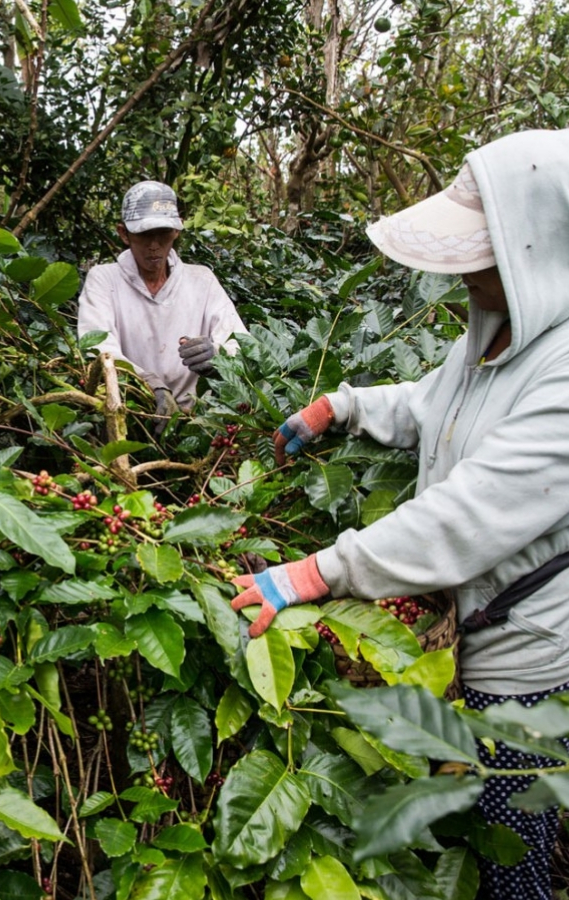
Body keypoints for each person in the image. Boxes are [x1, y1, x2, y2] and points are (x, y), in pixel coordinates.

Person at [231, 128, 569, 900]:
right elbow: (430, 404)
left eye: (484, 261)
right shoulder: (490, 338)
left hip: (521, 659)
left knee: (507, 856)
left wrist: (321, 571)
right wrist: (338, 406)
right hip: (457, 631)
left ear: (534, 251)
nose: (467, 279)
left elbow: (469, 514)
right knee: (451, 822)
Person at [76, 180, 247, 429]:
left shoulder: (202, 280)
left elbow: (241, 343)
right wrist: (148, 383)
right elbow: (99, 348)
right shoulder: (104, 280)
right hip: (131, 418)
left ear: (176, 231)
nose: (154, 245)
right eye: (145, 235)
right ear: (124, 234)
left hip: (198, 425)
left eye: (163, 234)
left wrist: (217, 355)